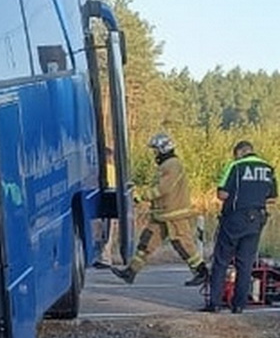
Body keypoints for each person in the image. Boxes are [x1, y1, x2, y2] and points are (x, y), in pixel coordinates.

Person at [112, 132, 208, 286]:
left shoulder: (172, 164)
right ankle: (130, 272)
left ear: (163, 149)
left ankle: (202, 273)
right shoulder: (166, 165)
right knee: (146, 242)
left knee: (183, 244)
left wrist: (143, 196)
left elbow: (164, 188)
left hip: (174, 214)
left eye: (155, 150)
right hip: (161, 215)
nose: (154, 153)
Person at [203, 140, 276, 313]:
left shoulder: (235, 166)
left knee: (221, 260)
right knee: (246, 263)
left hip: (235, 218)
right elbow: (272, 198)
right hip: (257, 219)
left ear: (239, 152)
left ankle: (215, 303)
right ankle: (239, 305)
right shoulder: (268, 169)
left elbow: (222, 194)